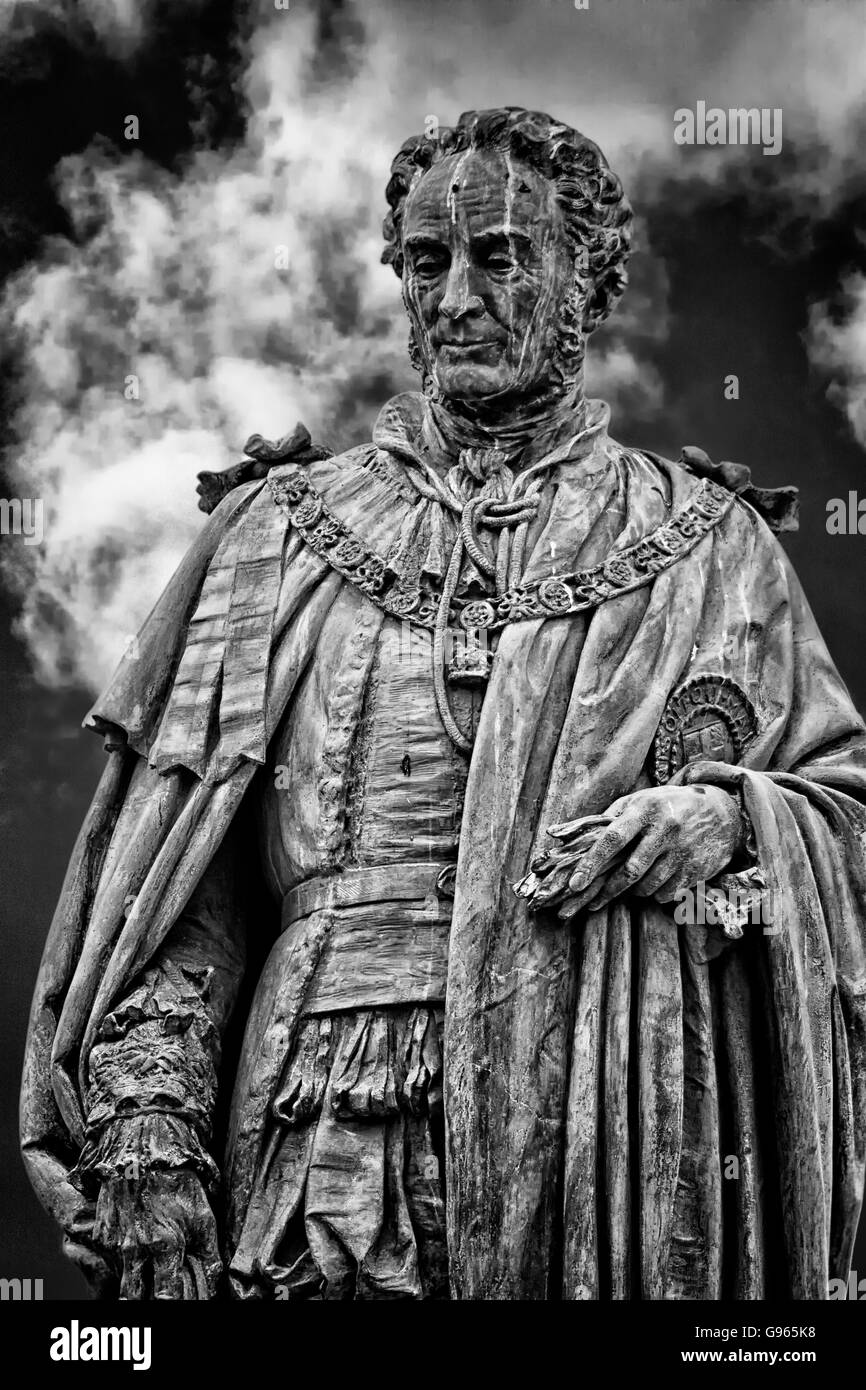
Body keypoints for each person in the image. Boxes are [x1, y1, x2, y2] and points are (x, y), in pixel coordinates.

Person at [21, 107, 866, 1301]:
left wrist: (727, 821)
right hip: (327, 1127)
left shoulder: (706, 548)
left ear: (584, 280)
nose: (455, 296)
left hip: (610, 1123)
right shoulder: (273, 539)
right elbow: (179, 896)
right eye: (427, 262)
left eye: (499, 256)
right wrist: (148, 1125)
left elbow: (846, 816)